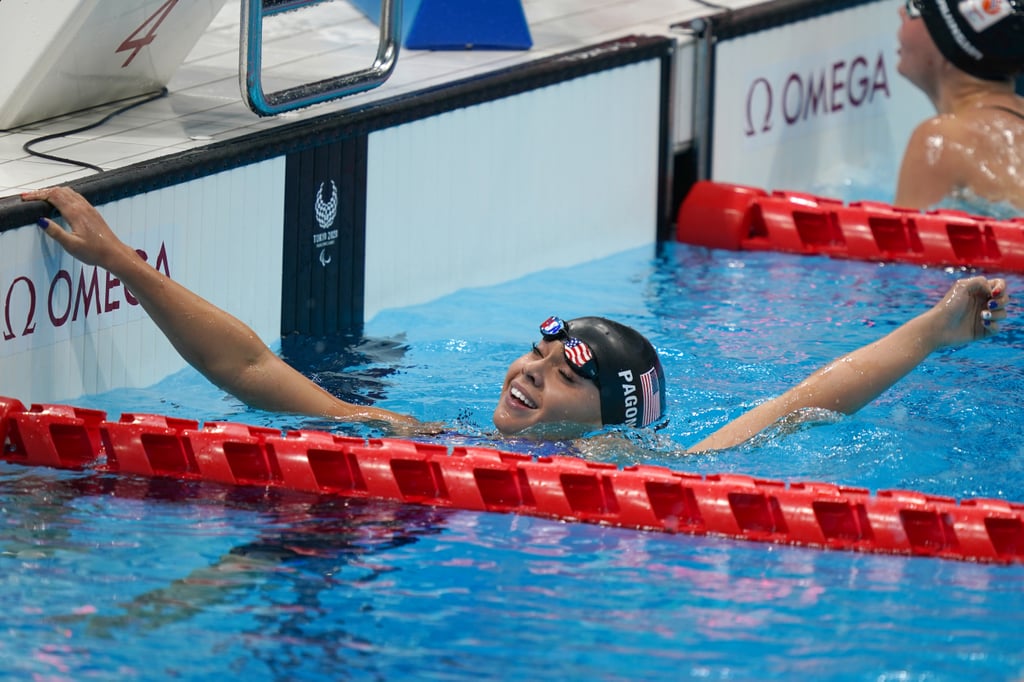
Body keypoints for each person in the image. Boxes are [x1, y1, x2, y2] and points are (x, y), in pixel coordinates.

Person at [21, 186, 1009, 452]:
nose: (528, 371)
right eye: (537, 352)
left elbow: (804, 402)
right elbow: (250, 370)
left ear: (611, 416)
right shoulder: (424, 435)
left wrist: (929, 329)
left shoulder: (662, 473)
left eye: (563, 372)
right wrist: (122, 262)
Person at [895, 0, 1024, 211]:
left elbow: (906, 243)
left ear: (948, 43)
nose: (901, 12)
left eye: (914, 7)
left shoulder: (942, 139)